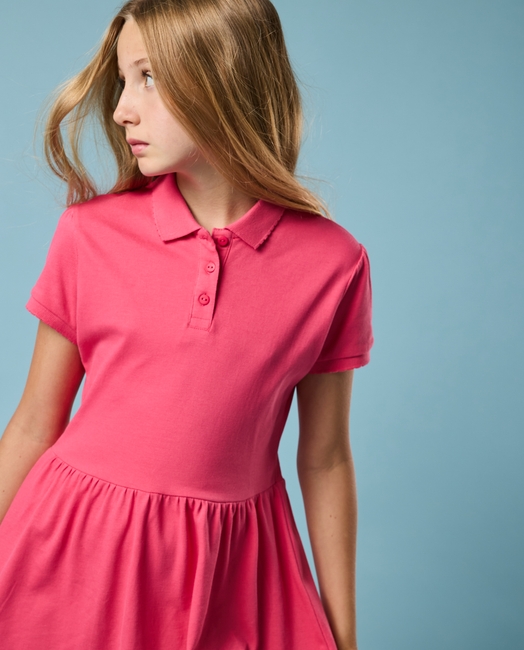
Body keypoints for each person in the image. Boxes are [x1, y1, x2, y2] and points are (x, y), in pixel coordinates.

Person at [0, 1, 373, 648]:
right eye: (123, 81)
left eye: (147, 77)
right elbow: (35, 422)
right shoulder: (89, 235)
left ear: (221, 78)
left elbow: (326, 457)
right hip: (72, 551)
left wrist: (344, 634)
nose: (122, 109)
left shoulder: (333, 264)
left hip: (234, 571)